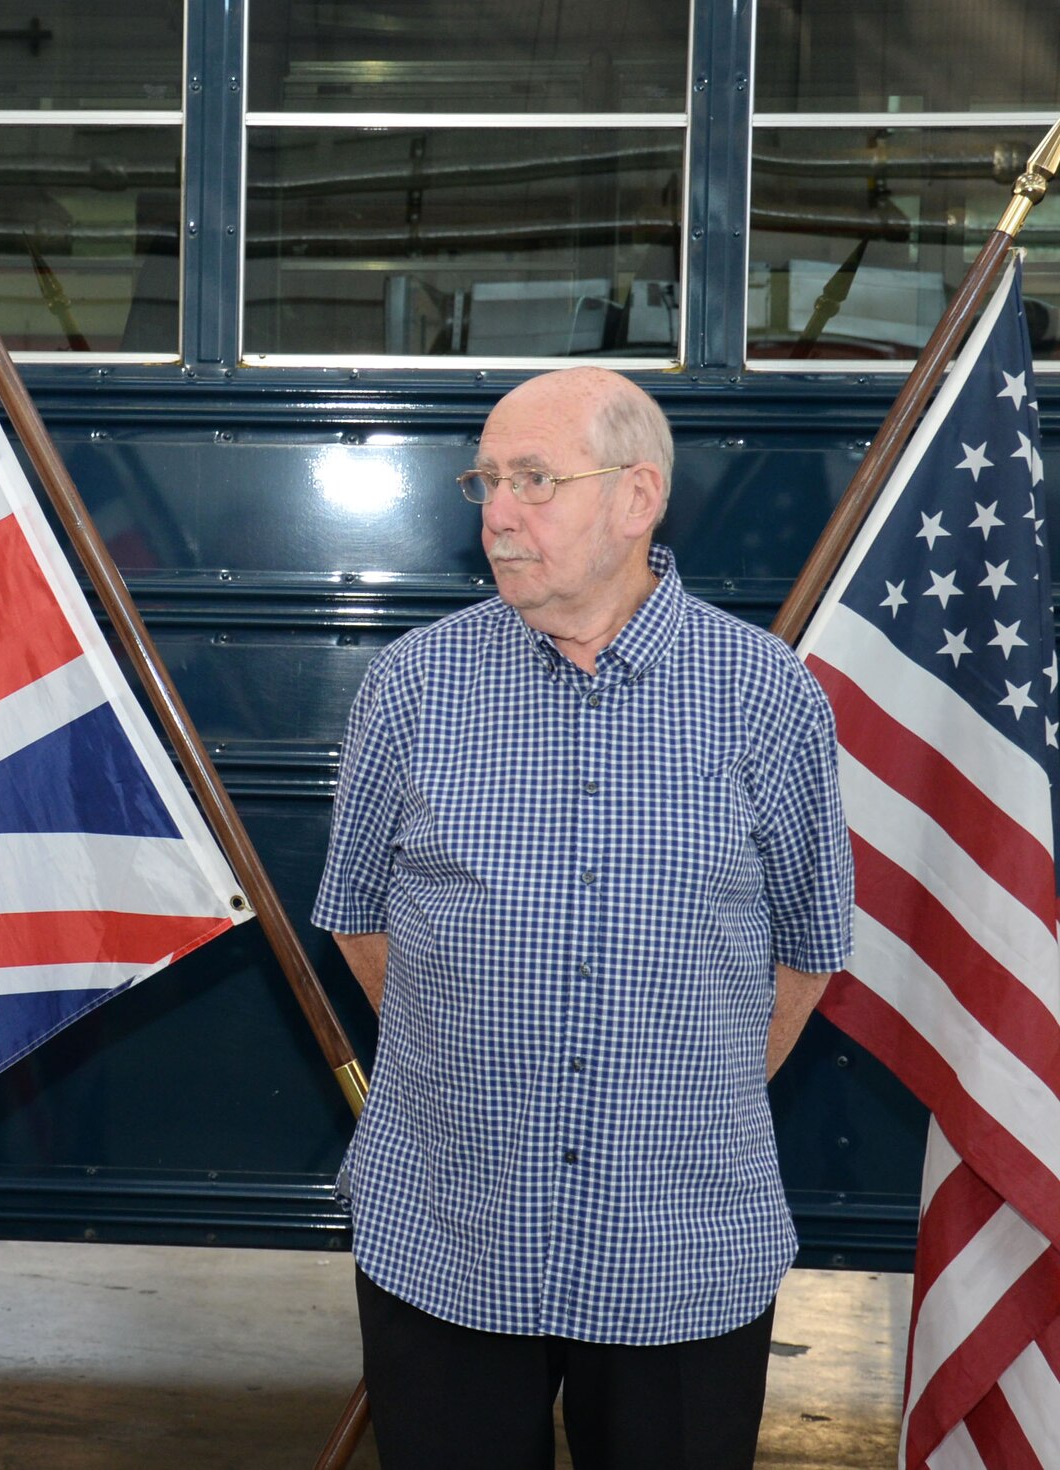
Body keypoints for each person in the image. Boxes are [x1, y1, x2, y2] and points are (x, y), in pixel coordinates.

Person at [313, 366, 853, 1470]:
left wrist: (675, 1095)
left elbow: (805, 947)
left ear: (635, 497)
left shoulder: (766, 694)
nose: (497, 513)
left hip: (680, 1250)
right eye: (485, 482)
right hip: (448, 1236)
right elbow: (359, 915)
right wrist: (467, 1053)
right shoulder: (412, 686)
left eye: (532, 481)